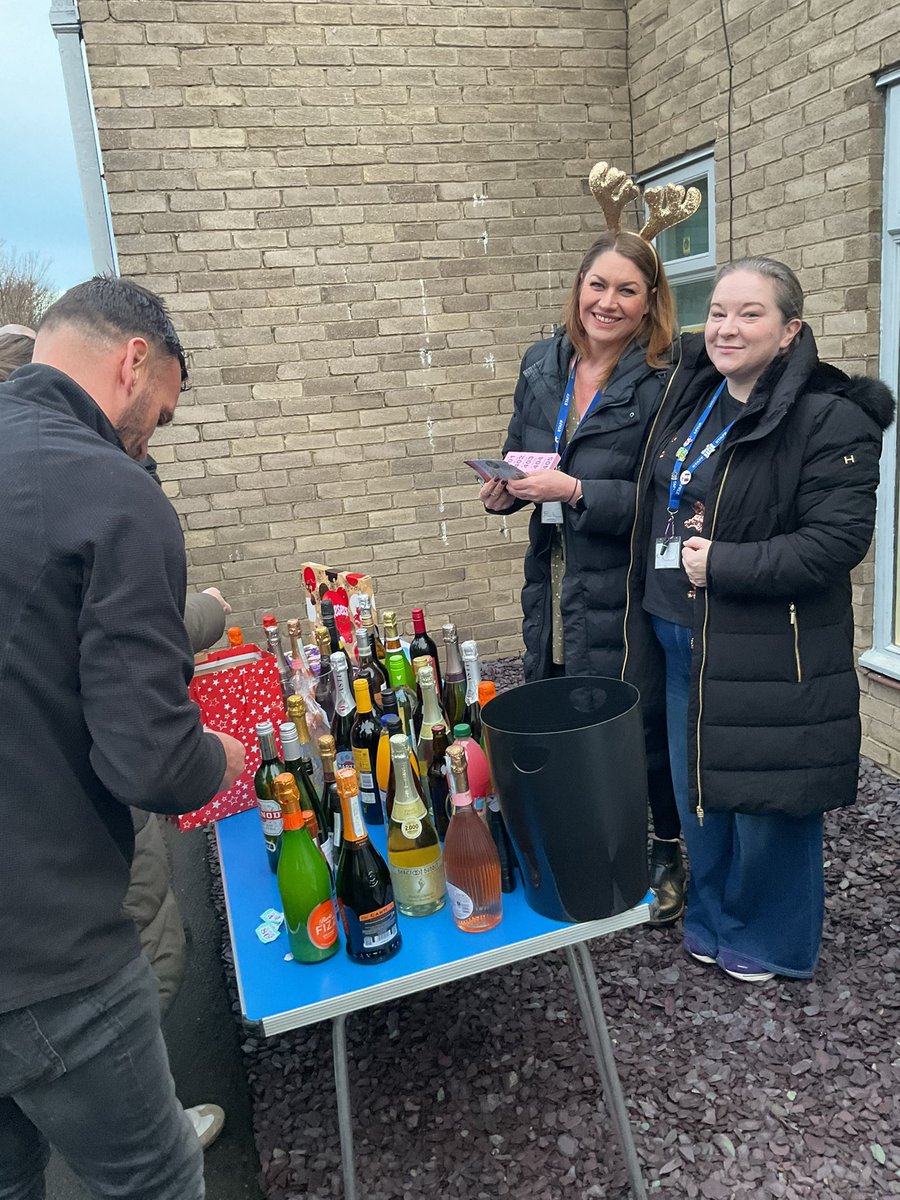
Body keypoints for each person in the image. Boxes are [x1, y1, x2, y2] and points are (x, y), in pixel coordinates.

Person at [0, 276, 245, 1199]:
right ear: (133, 360)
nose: (150, 439)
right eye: (162, 416)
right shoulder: (112, 490)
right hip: (49, 947)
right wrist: (220, 756)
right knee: (156, 1179)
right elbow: (152, 759)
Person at [624, 256, 894, 982]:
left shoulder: (830, 416)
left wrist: (725, 565)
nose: (727, 328)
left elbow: (835, 543)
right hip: (679, 635)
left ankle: (770, 938)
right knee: (700, 790)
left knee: (767, 798)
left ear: (790, 330)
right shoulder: (697, 396)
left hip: (769, 645)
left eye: (750, 314)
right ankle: (712, 916)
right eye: (717, 312)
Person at [480, 211, 687, 923]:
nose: (608, 302)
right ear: (578, 288)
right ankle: (586, 845)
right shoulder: (543, 364)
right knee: (563, 701)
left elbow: (668, 497)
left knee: (638, 719)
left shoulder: (664, 380)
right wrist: (502, 490)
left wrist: (575, 491)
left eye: (627, 290)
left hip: (627, 580)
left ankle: (664, 849)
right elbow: (520, 453)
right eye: (597, 285)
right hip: (555, 573)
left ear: (650, 302)